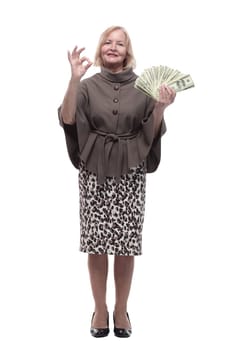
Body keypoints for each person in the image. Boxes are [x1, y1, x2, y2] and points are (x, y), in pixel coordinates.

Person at [58, 25, 176, 338]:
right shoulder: (86, 85)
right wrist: (73, 79)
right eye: (108, 42)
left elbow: (150, 131)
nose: (113, 47)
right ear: (101, 49)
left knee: (125, 243)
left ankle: (121, 309)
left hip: (131, 169)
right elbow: (68, 118)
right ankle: (99, 308)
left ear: (127, 51)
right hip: (94, 169)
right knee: (96, 242)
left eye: (120, 43)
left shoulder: (143, 87)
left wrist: (161, 107)